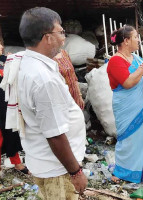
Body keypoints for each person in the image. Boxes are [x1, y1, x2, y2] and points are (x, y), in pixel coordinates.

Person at [18, 7, 87, 199]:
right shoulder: (43, 79)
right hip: (56, 169)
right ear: (47, 37)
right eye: (61, 32)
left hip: (47, 163)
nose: (64, 37)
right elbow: (55, 134)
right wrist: (76, 172)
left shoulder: (30, 64)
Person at [107, 25, 143, 185]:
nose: (139, 40)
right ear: (126, 40)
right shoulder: (116, 61)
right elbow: (128, 82)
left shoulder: (135, 58)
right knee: (129, 139)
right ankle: (124, 172)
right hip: (128, 107)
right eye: (136, 37)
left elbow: (141, 76)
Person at [0, 42, 29, 174]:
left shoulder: (4, 61)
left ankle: (17, 163)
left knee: (11, 133)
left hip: (6, 105)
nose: (1, 47)